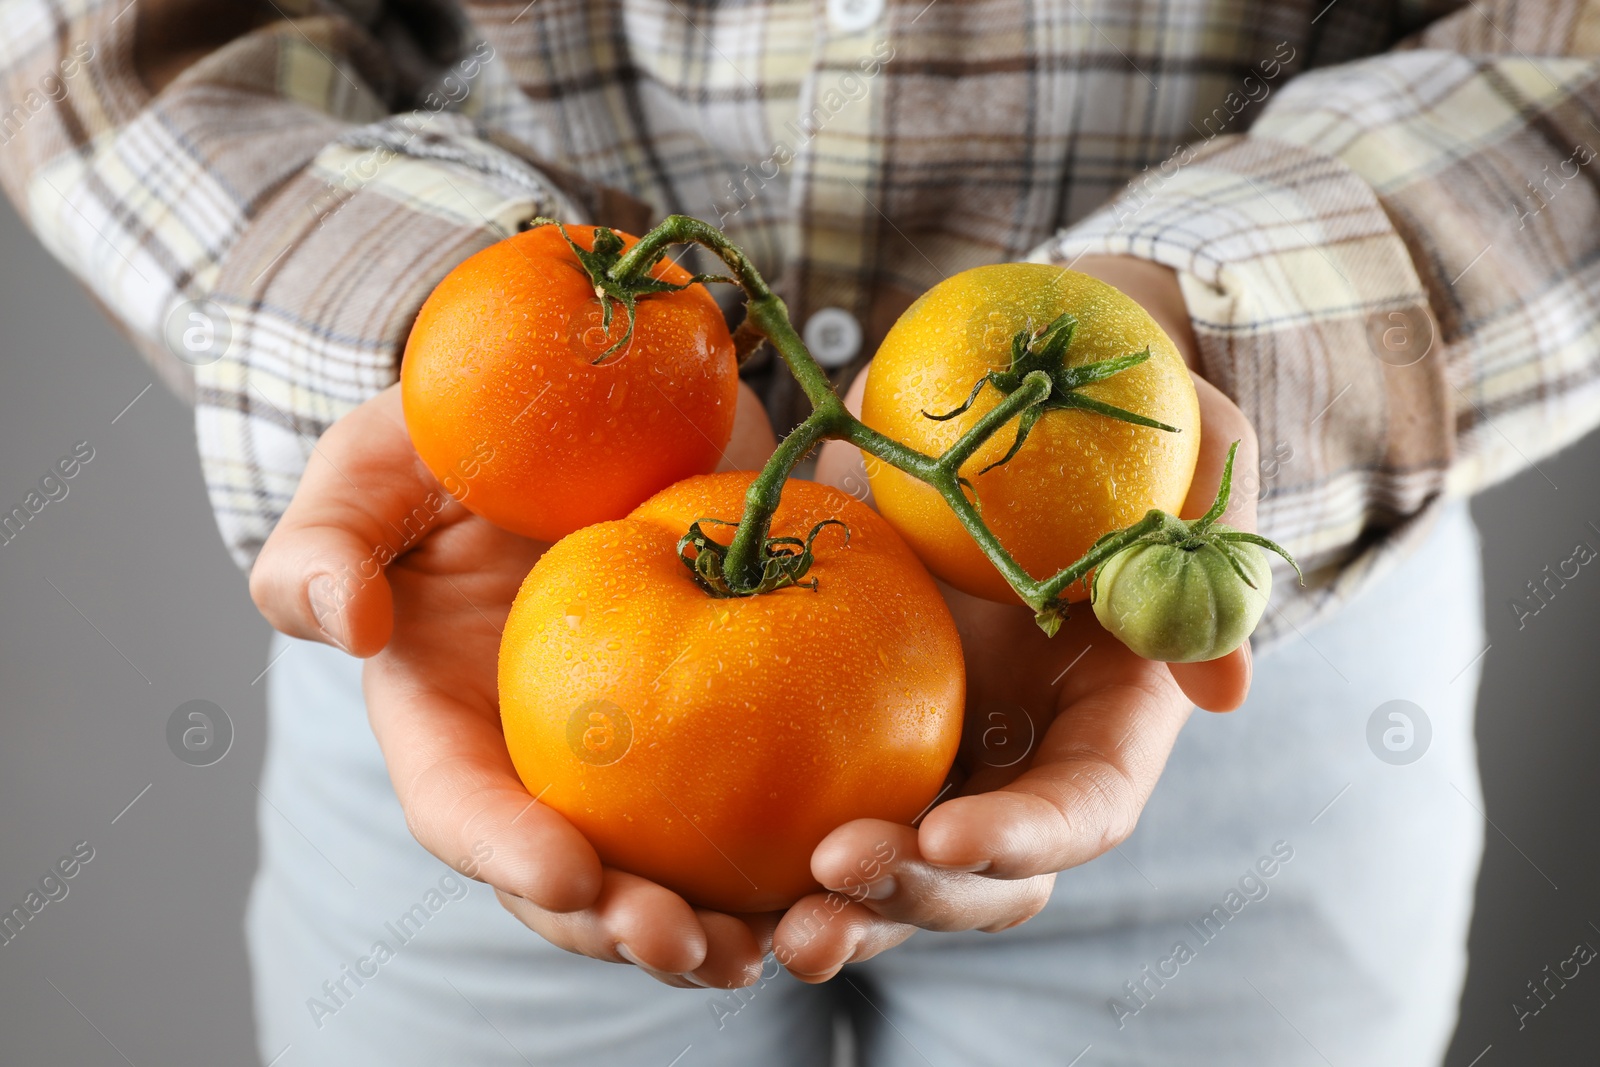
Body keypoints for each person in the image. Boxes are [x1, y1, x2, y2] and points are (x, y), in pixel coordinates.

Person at [2, 1, 1596, 1063]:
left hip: (1212, 623)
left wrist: (1189, 342)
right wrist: (469, 343)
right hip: (494, 613)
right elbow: (116, 37)